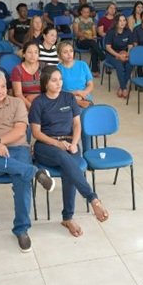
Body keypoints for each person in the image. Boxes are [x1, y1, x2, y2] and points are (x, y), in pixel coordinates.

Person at [0, 69, 55, 252]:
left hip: (17, 148)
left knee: (22, 181)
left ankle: (21, 230)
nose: (0, 91)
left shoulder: (17, 103)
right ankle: (34, 172)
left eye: (2, 86)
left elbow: (20, 131)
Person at [30, 66, 109, 237]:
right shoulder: (38, 102)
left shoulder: (68, 98)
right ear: (45, 83)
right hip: (46, 145)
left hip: (69, 142)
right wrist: (57, 144)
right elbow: (36, 133)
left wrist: (74, 143)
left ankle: (68, 218)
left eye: (60, 79)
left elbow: (77, 124)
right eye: (54, 80)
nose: (58, 83)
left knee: (69, 167)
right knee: (65, 158)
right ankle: (93, 199)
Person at [57, 41, 95, 108]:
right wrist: (76, 93)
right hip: (67, 98)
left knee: (89, 111)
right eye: (65, 52)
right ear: (59, 55)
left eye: (71, 51)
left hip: (84, 96)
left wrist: (83, 94)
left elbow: (90, 84)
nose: (69, 54)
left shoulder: (82, 64)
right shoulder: (57, 69)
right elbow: (58, 91)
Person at [105, 14, 133, 99]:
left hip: (124, 53)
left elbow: (130, 45)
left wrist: (127, 54)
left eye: (124, 20)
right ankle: (124, 88)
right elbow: (108, 47)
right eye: (120, 20)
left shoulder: (128, 31)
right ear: (116, 22)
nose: (122, 22)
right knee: (119, 65)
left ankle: (121, 86)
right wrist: (118, 55)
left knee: (130, 65)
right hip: (112, 54)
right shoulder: (111, 32)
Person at [72, 5, 105, 76]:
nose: (86, 14)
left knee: (94, 48)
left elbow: (94, 32)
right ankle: (102, 56)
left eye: (88, 12)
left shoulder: (91, 20)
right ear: (81, 12)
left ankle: (95, 71)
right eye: (85, 12)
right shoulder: (77, 20)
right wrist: (86, 36)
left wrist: (93, 36)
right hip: (80, 41)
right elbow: (76, 33)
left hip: (90, 41)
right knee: (94, 45)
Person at [11, 42, 41, 110]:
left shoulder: (44, 67)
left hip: (42, 101)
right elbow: (18, 94)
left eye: (36, 52)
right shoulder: (17, 70)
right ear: (24, 54)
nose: (33, 55)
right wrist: (30, 106)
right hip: (25, 102)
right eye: (29, 52)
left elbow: (49, 89)